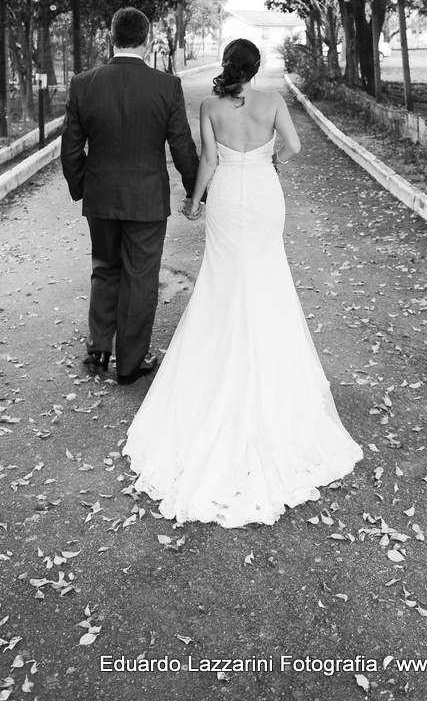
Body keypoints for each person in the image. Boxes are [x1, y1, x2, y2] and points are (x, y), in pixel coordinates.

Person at [123, 38, 362, 526]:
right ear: (258, 68)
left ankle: (219, 368)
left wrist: (193, 203)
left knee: (223, 280)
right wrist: (269, 163)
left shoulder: (211, 104)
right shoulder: (273, 101)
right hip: (265, 195)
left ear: (228, 66)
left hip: (229, 196)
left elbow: (207, 161)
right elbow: (292, 147)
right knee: (267, 276)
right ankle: (272, 371)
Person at [60, 7, 200, 384]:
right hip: (147, 200)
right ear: (148, 39)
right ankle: (130, 362)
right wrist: (195, 191)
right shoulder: (166, 86)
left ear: (111, 37)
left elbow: (71, 150)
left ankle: (99, 348)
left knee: (105, 267)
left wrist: (81, 188)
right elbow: (182, 146)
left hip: (101, 197)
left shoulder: (83, 83)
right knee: (141, 276)